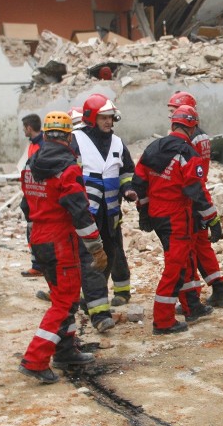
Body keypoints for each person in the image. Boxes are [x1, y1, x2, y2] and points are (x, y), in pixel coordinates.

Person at [18, 111, 109, 384]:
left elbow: (26, 205)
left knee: (62, 296)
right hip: (60, 242)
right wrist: (96, 246)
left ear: (45, 134)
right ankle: (35, 359)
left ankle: (65, 350)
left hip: (40, 239)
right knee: (65, 301)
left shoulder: (30, 164)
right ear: (69, 136)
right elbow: (79, 211)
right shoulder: (67, 168)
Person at [132, 105, 222, 335]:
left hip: (158, 216)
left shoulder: (153, 148)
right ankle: (163, 320)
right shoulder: (187, 153)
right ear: (192, 128)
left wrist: (143, 210)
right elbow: (196, 190)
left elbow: (139, 181)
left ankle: (192, 306)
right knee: (175, 269)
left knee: (183, 262)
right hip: (176, 218)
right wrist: (212, 219)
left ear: (173, 124)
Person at [70, 94, 137, 330]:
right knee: (92, 259)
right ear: (91, 118)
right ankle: (99, 315)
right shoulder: (75, 140)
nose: (109, 122)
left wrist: (128, 188)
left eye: (110, 117)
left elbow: (127, 170)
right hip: (87, 214)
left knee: (108, 255)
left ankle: (92, 300)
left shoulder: (118, 143)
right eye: (104, 117)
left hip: (111, 215)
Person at [166, 91, 223, 309]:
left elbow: (189, 175)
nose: (171, 116)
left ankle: (191, 298)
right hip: (197, 196)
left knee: (190, 249)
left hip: (190, 200)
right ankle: (218, 288)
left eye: (174, 111)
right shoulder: (199, 135)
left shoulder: (189, 138)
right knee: (202, 246)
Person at [21, 114, 45, 279]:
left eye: (24, 127)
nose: (23, 130)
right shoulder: (34, 145)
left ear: (29, 127)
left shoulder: (43, 145)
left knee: (38, 229)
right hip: (31, 195)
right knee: (32, 230)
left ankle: (41, 264)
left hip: (40, 196)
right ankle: (37, 264)